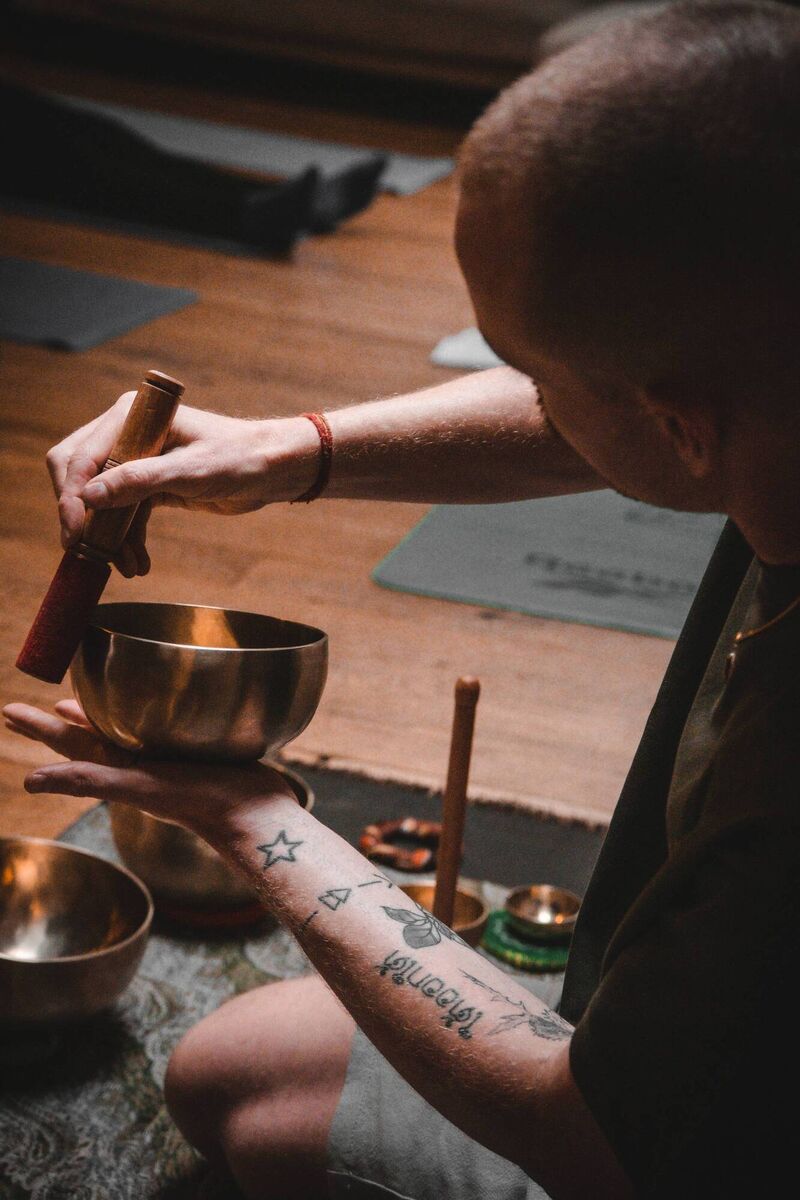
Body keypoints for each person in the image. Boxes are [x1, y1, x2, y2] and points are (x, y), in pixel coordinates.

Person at [6, 2, 800, 1195]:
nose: (520, 391)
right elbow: (627, 411)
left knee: (235, 1093)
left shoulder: (778, 809)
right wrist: (295, 450)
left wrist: (253, 824)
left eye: (527, 367)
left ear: (677, 425)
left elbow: (604, 1144)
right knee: (257, 1057)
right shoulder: (761, 383)